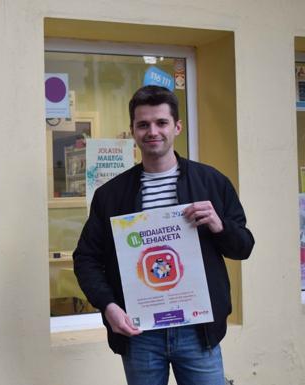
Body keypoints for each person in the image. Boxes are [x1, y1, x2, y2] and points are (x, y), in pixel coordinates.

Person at [73, 85, 254, 385]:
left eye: (161, 123)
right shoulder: (111, 195)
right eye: (143, 124)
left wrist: (220, 226)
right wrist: (109, 306)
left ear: (177, 127)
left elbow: (244, 246)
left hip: (198, 331)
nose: (152, 131)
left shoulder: (211, 182)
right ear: (132, 130)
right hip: (140, 333)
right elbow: (86, 259)